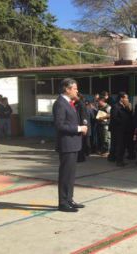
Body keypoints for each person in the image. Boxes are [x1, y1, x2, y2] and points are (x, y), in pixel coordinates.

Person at [52, 78, 88, 212]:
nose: (77, 90)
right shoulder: (60, 103)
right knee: (65, 174)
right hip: (66, 144)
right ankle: (63, 202)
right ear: (67, 89)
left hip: (73, 144)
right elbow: (60, 125)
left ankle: (69, 199)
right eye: (74, 88)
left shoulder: (69, 102)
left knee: (71, 174)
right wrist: (79, 128)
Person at [109, 92, 133, 167]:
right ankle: (118, 161)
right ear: (121, 98)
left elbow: (130, 116)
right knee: (119, 145)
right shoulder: (115, 106)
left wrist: (128, 107)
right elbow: (115, 118)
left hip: (125, 130)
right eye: (126, 98)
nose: (127, 99)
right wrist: (123, 122)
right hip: (118, 130)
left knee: (123, 145)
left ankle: (121, 159)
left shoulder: (125, 106)